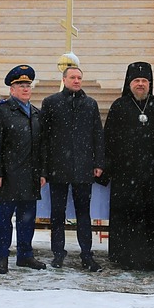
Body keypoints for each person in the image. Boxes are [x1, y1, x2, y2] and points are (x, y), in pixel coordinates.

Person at [103, 61, 154, 271]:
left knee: (153, 215)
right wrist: (106, 169)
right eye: (137, 80)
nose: (141, 84)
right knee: (128, 215)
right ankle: (126, 256)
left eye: (144, 81)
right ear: (129, 83)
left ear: (150, 83)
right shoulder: (119, 106)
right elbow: (108, 140)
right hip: (126, 176)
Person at [40, 66, 104, 271]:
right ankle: (58, 253)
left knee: (83, 213)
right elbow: (44, 138)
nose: (76, 81)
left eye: (79, 78)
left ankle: (87, 254)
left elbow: (97, 135)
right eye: (72, 77)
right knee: (57, 213)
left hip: (83, 167)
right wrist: (44, 168)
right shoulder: (51, 103)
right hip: (58, 167)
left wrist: (98, 163)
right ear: (64, 79)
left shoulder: (90, 104)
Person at [0, 65, 46, 274]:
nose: (25, 88)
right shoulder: (2, 110)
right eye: (21, 85)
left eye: (28, 85)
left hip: (30, 176)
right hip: (9, 176)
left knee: (27, 219)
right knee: (4, 219)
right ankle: (1, 257)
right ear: (12, 89)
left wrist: (42, 172)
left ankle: (25, 255)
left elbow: (41, 147)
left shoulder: (37, 114)